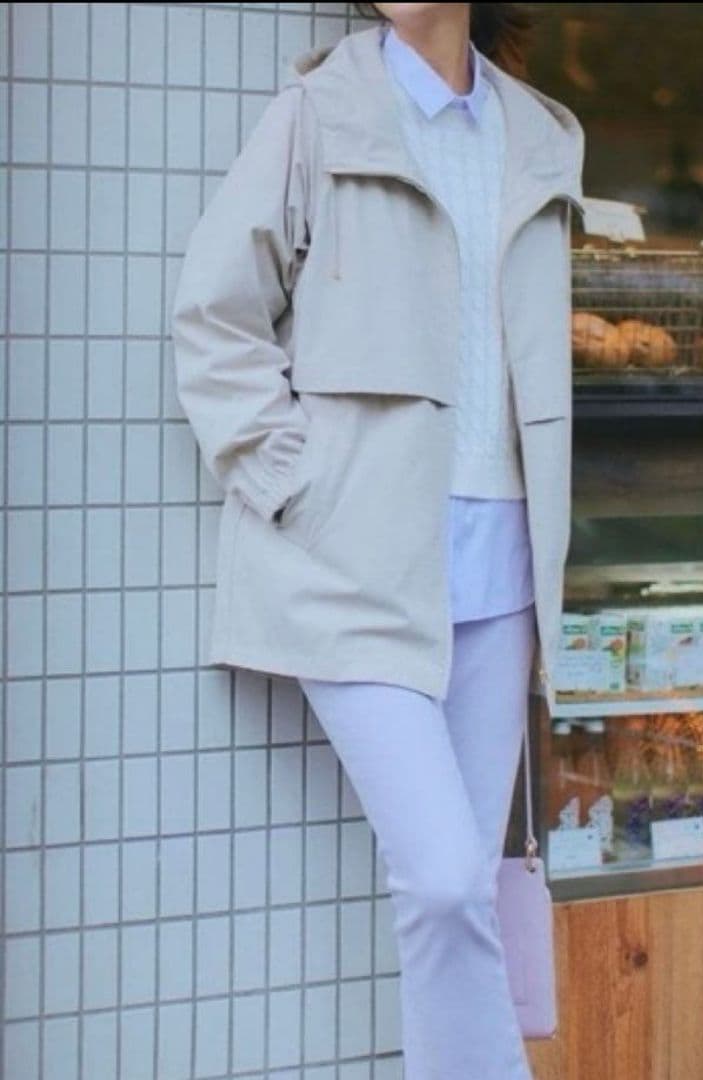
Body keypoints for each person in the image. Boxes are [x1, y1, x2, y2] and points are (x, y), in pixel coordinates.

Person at [171, 4, 585, 1076]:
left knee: (461, 891)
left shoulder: (539, 133)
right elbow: (215, 314)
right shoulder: (321, 112)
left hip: (501, 567)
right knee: (443, 880)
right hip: (353, 564)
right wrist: (291, 484)